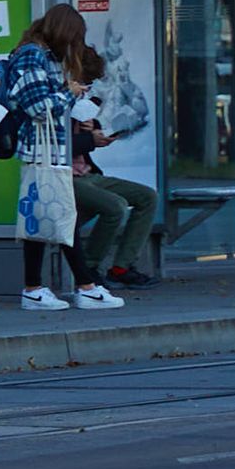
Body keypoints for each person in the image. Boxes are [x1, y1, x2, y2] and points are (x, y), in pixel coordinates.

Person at [0, 3, 102, 310]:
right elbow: (37, 107)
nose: (72, 46)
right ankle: (83, 286)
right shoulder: (31, 55)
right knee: (57, 214)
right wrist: (68, 92)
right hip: (40, 150)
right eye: (72, 38)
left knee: (45, 218)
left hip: (50, 149)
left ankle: (39, 288)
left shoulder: (43, 55)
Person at [70, 45, 165, 294]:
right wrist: (90, 138)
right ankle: (89, 268)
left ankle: (122, 267)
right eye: (84, 83)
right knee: (115, 206)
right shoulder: (57, 99)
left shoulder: (83, 99)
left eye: (89, 84)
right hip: (65, 177)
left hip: (88, 172)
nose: (87, 89)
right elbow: (57, 145)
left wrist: (95, 129)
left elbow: (87, 134)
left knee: (147, 196)